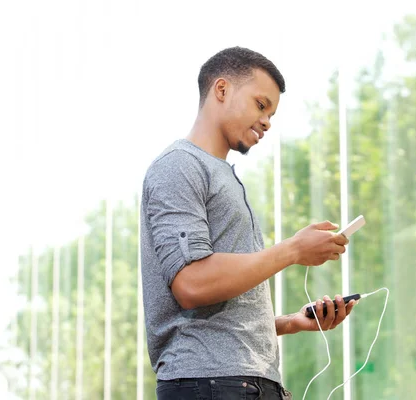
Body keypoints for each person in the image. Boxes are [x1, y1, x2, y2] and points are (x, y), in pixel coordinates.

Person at [140, 46, 356, 400]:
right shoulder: (179, 166)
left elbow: (216, 318)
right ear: (222, 90)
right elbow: (192, 283)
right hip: (212, 385)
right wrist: (293, 250)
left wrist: (290, 323)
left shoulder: (225, 178)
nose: (268, 121)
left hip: (241, 383)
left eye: (271, 113)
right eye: (260, 105)